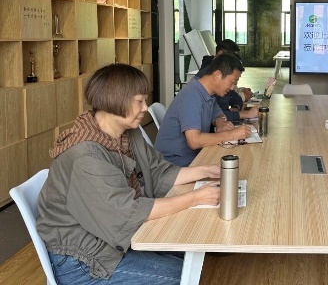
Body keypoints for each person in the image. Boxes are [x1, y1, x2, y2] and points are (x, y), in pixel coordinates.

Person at [36, 63, 221, 284]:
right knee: (182, 274)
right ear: (116, 100)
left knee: (191, 249)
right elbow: (127, 214)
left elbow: (158, 172)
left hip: (106, 237)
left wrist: (206, 171)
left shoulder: (126, 133)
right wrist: (195, 198)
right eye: (139, 101)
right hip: (83, 259)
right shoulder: (86, 157)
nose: (145, 108)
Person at [156, 53, 253, 166]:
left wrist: (220, 122)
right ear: (217, 75)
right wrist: (232, 134)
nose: (232, 88)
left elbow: (217, 114)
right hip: (174, 164)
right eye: (232, 82)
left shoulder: (208, 93)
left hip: (193, 156)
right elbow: (194, 141)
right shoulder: (191, 96)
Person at [196, 38, 258, 123]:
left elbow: (217, 114)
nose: (232, 87)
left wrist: (235, 108)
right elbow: (211, 116)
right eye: (231, 60)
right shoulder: (198, 90)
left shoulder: (222, 82)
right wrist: (245, 114)